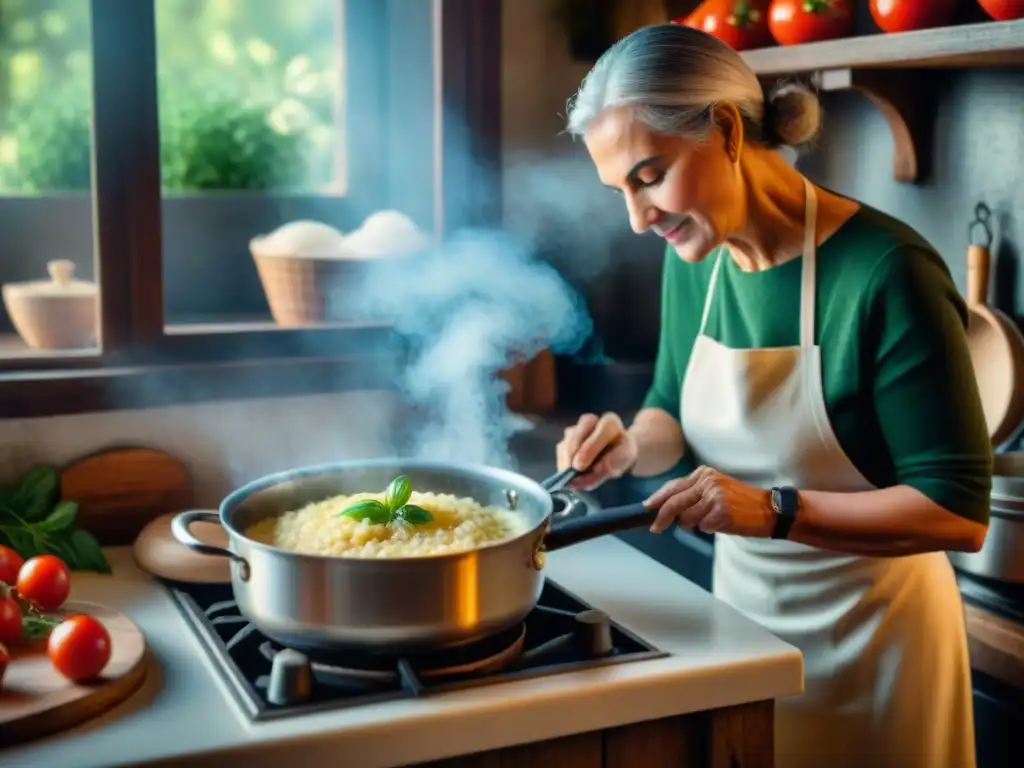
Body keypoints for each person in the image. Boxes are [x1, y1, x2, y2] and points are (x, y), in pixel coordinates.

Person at [556, 23, 992, 768]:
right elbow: (668, 408)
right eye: (620, 190)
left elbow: (956, 513)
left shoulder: (887, 272)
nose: (638, 218)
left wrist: (774, 509)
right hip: (742, 632)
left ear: (725, 130)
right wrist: (629, 445)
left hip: (880, 649)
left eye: (649, 175)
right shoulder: (696, 255)